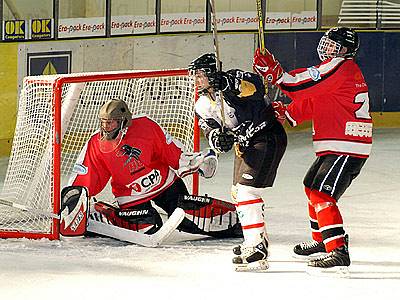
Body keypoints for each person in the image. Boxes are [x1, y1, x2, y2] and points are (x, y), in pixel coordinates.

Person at [253, 27, 373, 273]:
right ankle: (322, 240)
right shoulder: (338, 70)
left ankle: (338, 250)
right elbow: (315, 100)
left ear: (345, 49)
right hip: (340, 144)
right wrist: (286, 112)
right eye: (326, 42)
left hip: (347, 145)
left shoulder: (340, 66)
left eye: (332, 44)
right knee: (312, 187)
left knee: (321, 194)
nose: (326, 47)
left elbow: (300, 84)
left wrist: (276, 73)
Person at [62, 98, 243, 241]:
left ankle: (242, 219)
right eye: (103, 122)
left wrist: (193, 162)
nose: (106, 127)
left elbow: (169, 150)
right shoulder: (96, 143)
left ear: (124, 121)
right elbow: (88, 175)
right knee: (147, 226)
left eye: (111, 123)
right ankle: (105, 213)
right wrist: (76, 198)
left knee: (188, 214)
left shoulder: (146, 126)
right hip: (131, 195)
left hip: (165, 183)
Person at [188, 53, 287, 271]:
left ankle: (255, 245)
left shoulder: (232, 79)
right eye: (194, 76)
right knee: (237, 192)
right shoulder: (202, 104)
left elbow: (256, 88)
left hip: (266, 136)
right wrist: (218, 139)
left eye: (200, 75)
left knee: (246, 192)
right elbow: (210, 130)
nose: (195, 80)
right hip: (244, 146)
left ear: (212, 73)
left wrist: (229, 83)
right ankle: (258, 238)